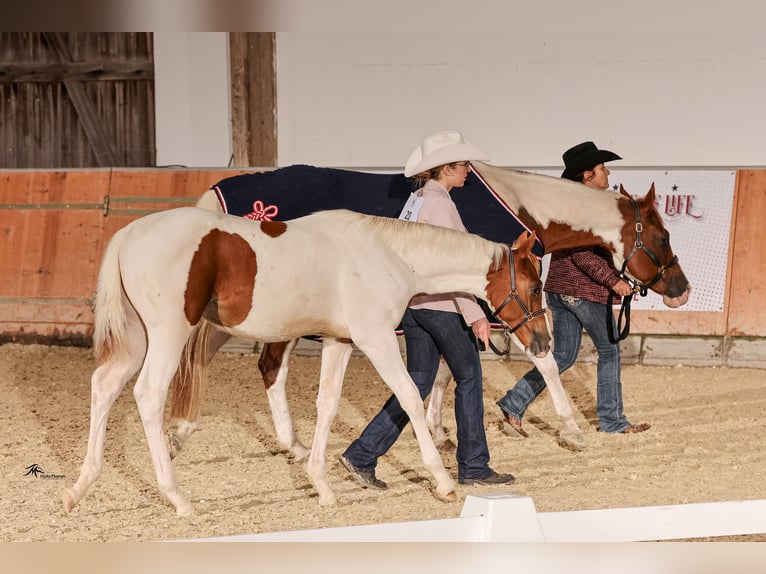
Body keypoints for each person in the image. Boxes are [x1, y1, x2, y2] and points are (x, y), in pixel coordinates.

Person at [339, 130, 516, 489]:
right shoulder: (442, 205)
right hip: (441, 304)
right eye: (464, 165)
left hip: (414, 304)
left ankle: (362, 455)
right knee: (469, 376)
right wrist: (476, 315)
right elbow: (454, 267)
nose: (469, 171)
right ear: (446, 168)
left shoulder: (416, 200)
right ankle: (474, 466)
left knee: (417, 382)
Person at [496, 141, 651, 435]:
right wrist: (613, 281)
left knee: (564, 356)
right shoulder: (585, 208)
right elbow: (580, 254)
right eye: (602, 168)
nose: (608, 173)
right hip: (584, 291)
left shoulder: (574, 204)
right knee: (610, 351)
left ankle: (514, 403)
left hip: (559, 289)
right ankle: (612, 421)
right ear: (587, 175)